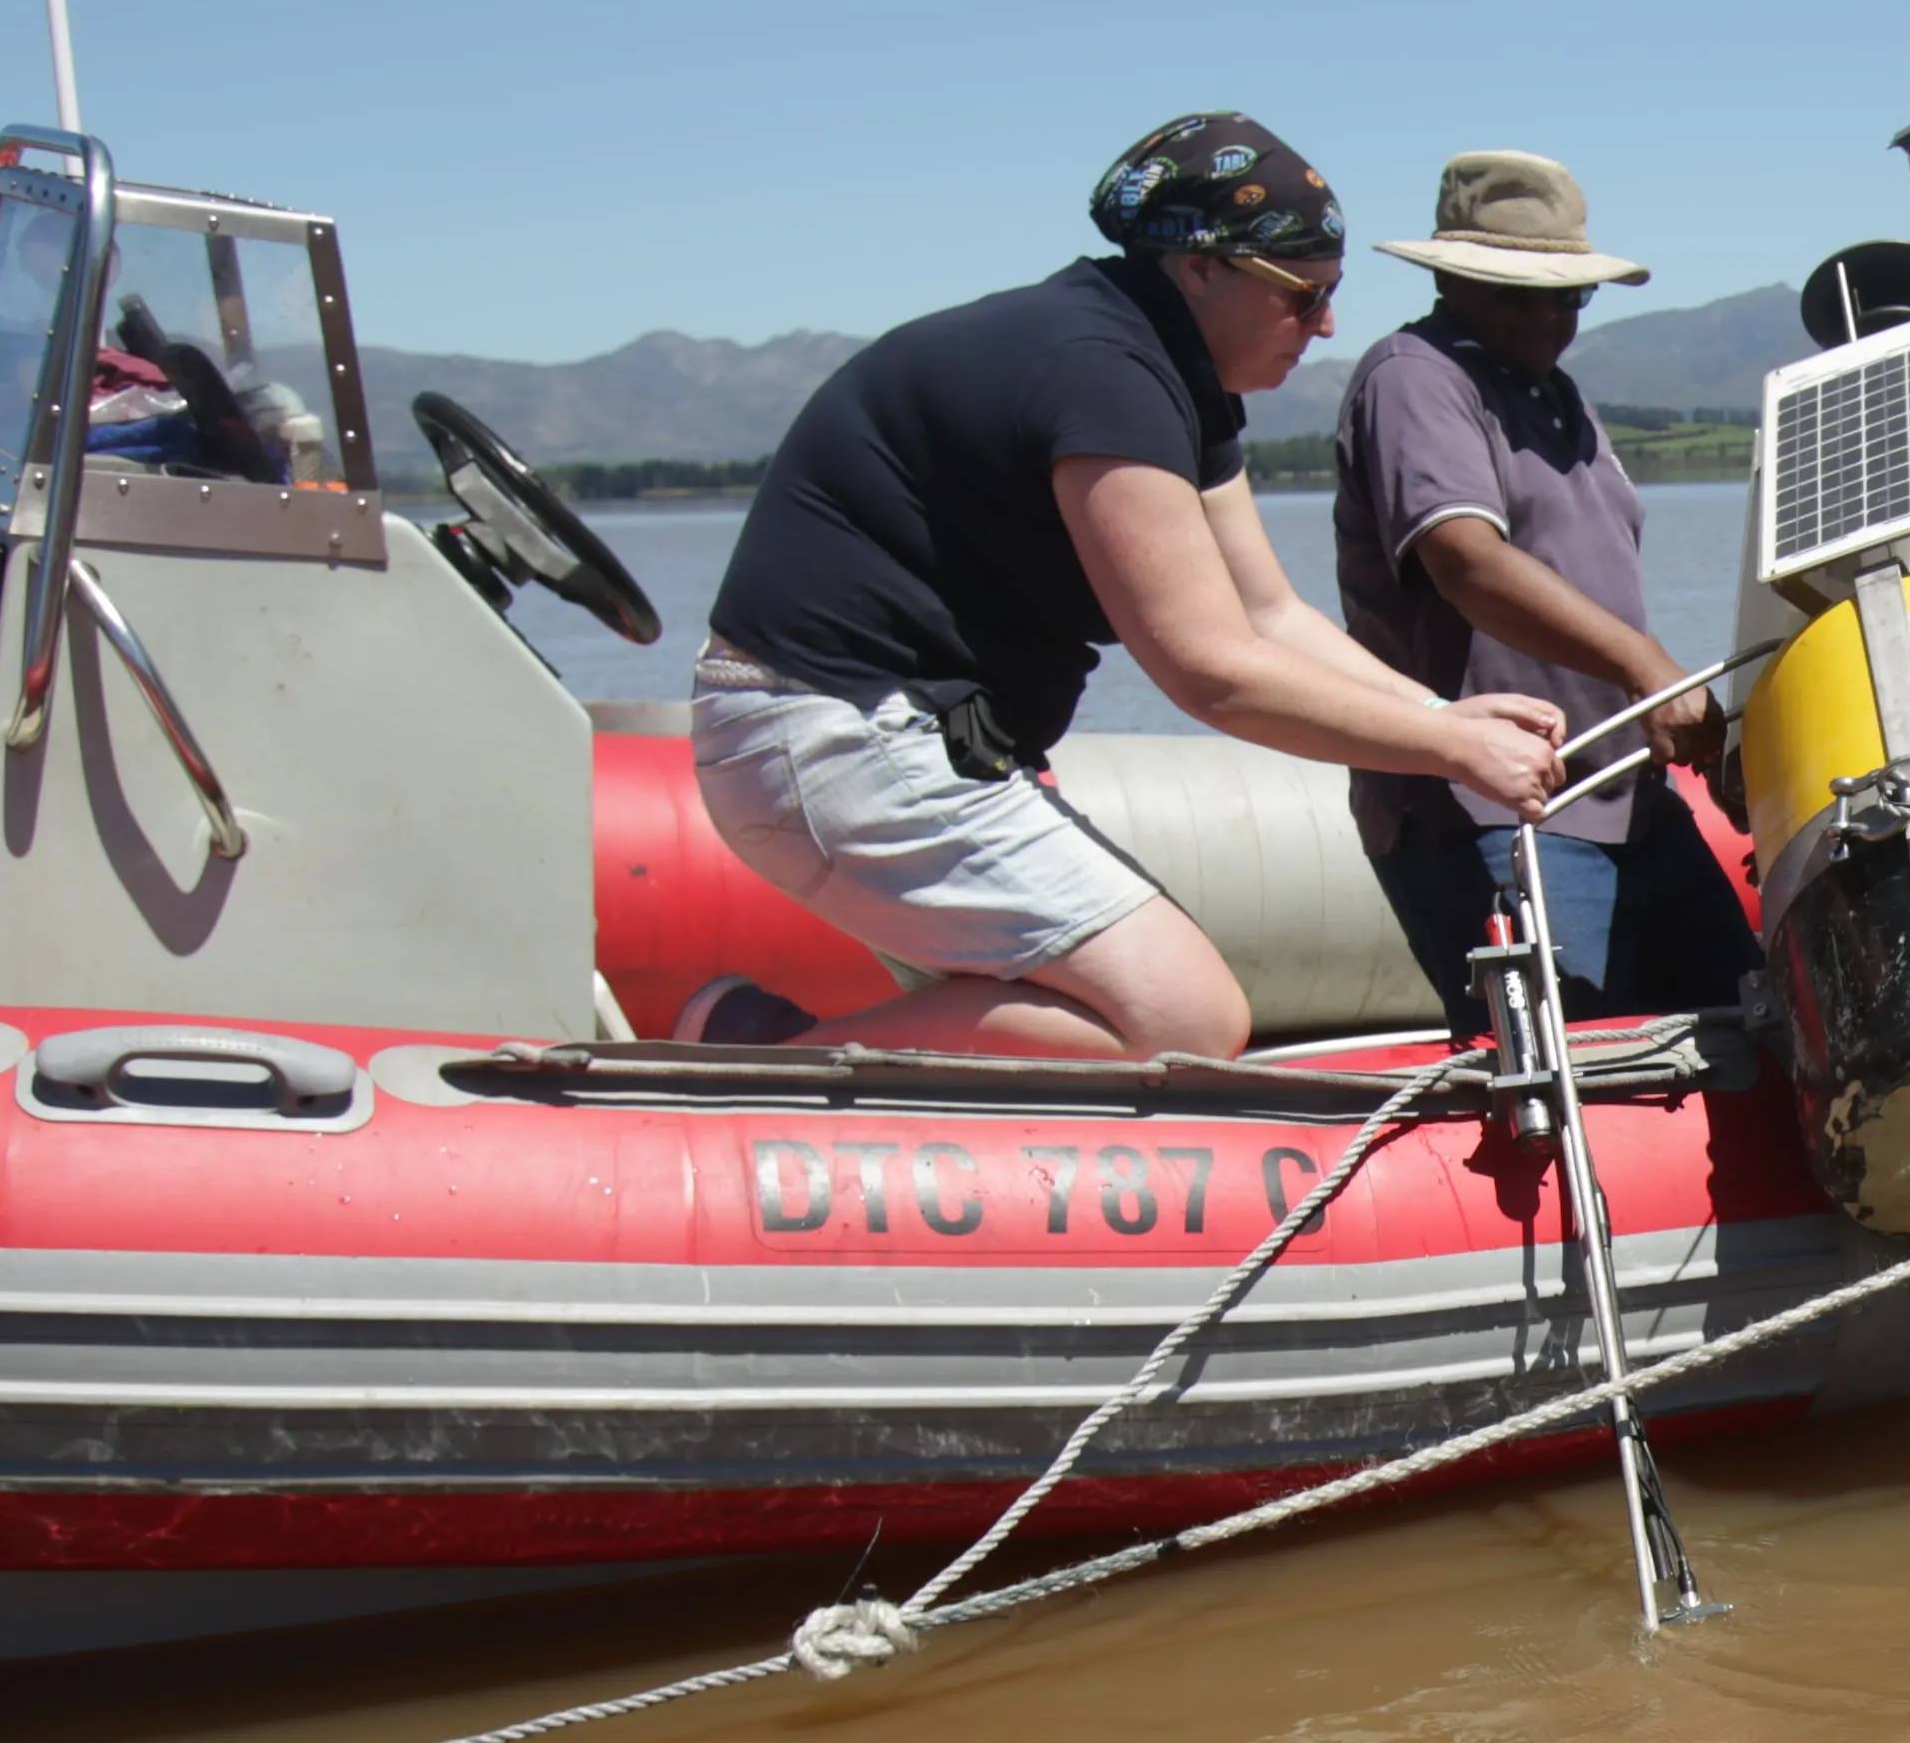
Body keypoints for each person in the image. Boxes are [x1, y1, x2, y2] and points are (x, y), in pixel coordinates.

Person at [682, 111, 1560, 1057]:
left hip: (870, 731)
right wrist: (1443, 749)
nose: (1328, 324)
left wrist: (1449, 715)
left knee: (1152, 1008)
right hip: (831, 731)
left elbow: (1267, 615)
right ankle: (759, 1065)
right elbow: (1210, 672)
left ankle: (767, 1043)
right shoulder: (1103, 374)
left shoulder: (1167, 373)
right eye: (1303, 297)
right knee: (1184, 1020)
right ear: (1200, 268)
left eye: (1332, 295)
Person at [1328, 150, 1756, 1019]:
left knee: (1747, 1032)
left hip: (1627, 797)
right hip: (1495, 811)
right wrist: (1646, 666)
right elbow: (1465, 562)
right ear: (1451, 278)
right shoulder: (1416, 375)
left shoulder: (1559, 393)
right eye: (1516, 292)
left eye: (1568, 295)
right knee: (1575, 1080)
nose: (1549, 317)